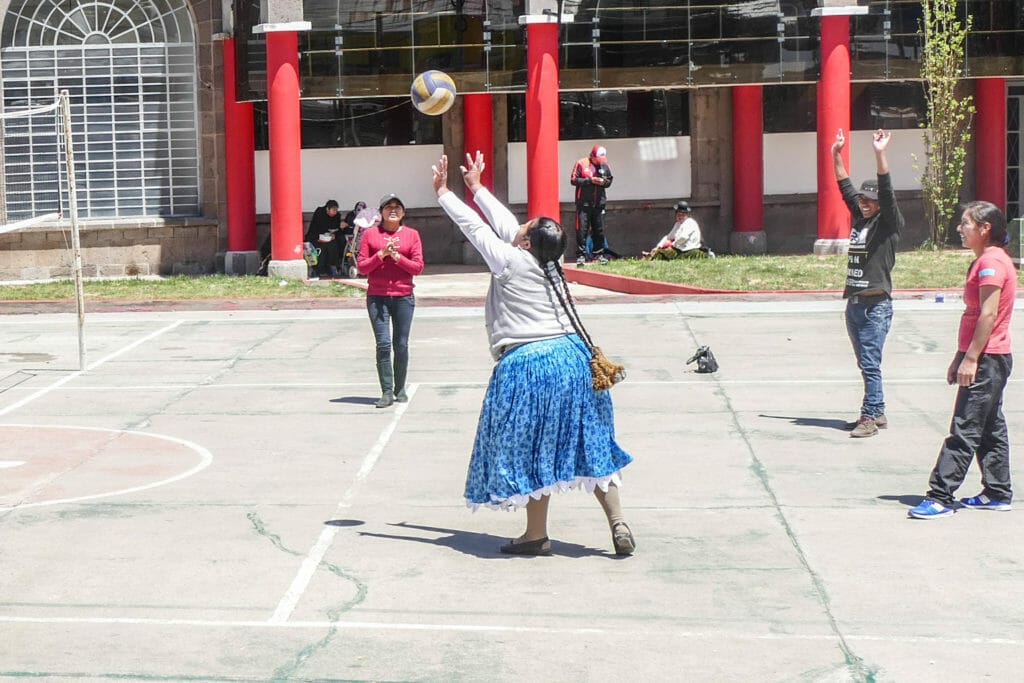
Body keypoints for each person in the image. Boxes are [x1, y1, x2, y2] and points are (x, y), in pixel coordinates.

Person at [433, 150, 635, 557]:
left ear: (525, 242)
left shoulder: (508, 261)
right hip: (574, 360)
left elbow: (477, 229)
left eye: (523, 229)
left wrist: (444, 194)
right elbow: (508, 225)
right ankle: (618, 522)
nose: (517, 227)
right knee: (590, 443)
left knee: (533, 450)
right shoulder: (550, 261)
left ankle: (536, 534)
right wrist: (475, 188)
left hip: (530, 363)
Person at [907, 202, 1016, 519]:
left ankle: (940, 496)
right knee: (989, 428)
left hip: (988, 358)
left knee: (965, 429)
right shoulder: (985, 261)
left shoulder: (992, 263)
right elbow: (973, 317)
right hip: (986, 356)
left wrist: (971, 359)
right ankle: (997, 492)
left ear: (985, 229)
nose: (960, 228)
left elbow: (988, 314)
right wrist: (959, 357)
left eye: (965, 223)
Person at [831, 128, 904, 438]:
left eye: (870, 200)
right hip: (855, 304)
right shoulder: (859, 216)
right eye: (862, 198)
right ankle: (879, 410)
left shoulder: (888, 223)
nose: (864, 203)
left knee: (871, 363)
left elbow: (886, 190)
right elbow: (843, 184)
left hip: (877, 306)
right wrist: (836, 152)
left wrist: (879, 153)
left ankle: (868, 418)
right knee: (865, 363)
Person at [356, 193, 425, 408]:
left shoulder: (412, 235)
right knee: (383, 343)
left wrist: (397, 257)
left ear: (403, 212)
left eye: (397, 207)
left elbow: (418, 267)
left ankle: (400, 388)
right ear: (381, 212)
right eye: (388, 207)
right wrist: (381, 255)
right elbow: (362, 266)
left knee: (401, 344)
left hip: (404, 296)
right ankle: (386, 391)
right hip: (378, 296)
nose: (392, 210)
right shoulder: (370, 235)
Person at [570, 144, 614, 266]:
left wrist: (603, 182)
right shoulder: (581, 163)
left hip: (599, 203)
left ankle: (599, 254)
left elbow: (609, 180)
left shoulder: (604, 165)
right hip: (583, 204)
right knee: (582, 230)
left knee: (599, 230)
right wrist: (590, 181)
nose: (599, 162)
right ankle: (581, 256)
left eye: (602, 159)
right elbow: (574, 180)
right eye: (597, 159)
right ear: (592, 156)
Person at [644, 201, 711, 259]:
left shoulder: (690, 222)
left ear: (687, 215)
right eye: (678, 215)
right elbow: (668, 237)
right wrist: (658, 246)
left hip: (688, 249)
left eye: (682, 215)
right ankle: (650, 255)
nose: (680, 217)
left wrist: (672, 245)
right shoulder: (677, 224)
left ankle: (650, 257)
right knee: (659, 251)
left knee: (663, 254)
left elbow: (683, 238)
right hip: (678, 248)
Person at [305, 199, 343, 278]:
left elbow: (337, 229)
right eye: (333, 210)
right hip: (316, 237)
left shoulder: (337, 215)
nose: (335, 212)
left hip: (329, 238)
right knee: (320, 247)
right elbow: (316, 228)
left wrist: (334, 235)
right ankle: (316, 269)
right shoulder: (319, 213)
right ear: (327, 209)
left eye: (336, 210)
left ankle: (333, 267)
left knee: (334, 245)